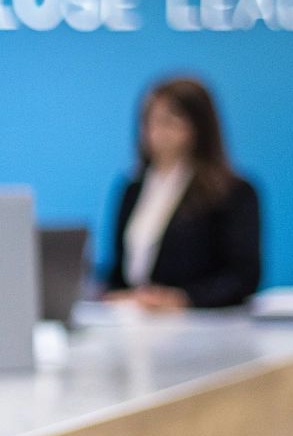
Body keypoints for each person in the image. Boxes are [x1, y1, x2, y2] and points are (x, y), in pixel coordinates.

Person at [103, 76, 263, 311]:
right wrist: (115, 294)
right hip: (134, 320)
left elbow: (242, 277)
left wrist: (182, 299)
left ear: (198, 125)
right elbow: (117, 270)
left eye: (169, 121)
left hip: (202, 327)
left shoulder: (232, 192)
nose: (157, 132)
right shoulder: (132, 188)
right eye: (150, 121)